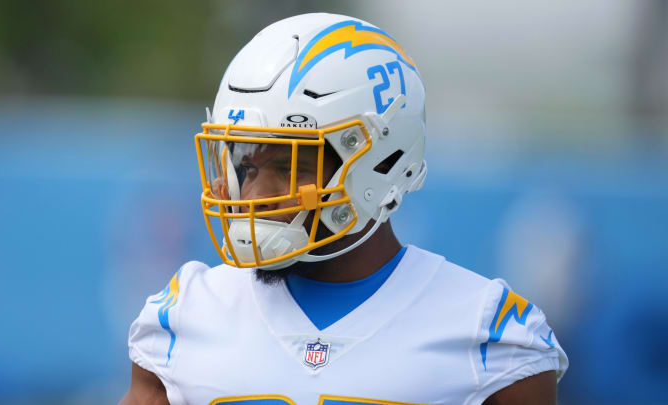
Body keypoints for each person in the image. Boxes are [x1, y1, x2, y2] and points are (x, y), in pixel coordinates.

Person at [120, 13, 568, 405]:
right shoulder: (184, 316)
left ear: (381, 161)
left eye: (287, 166)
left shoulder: (489, 335)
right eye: (246, 165)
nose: (253, 196)